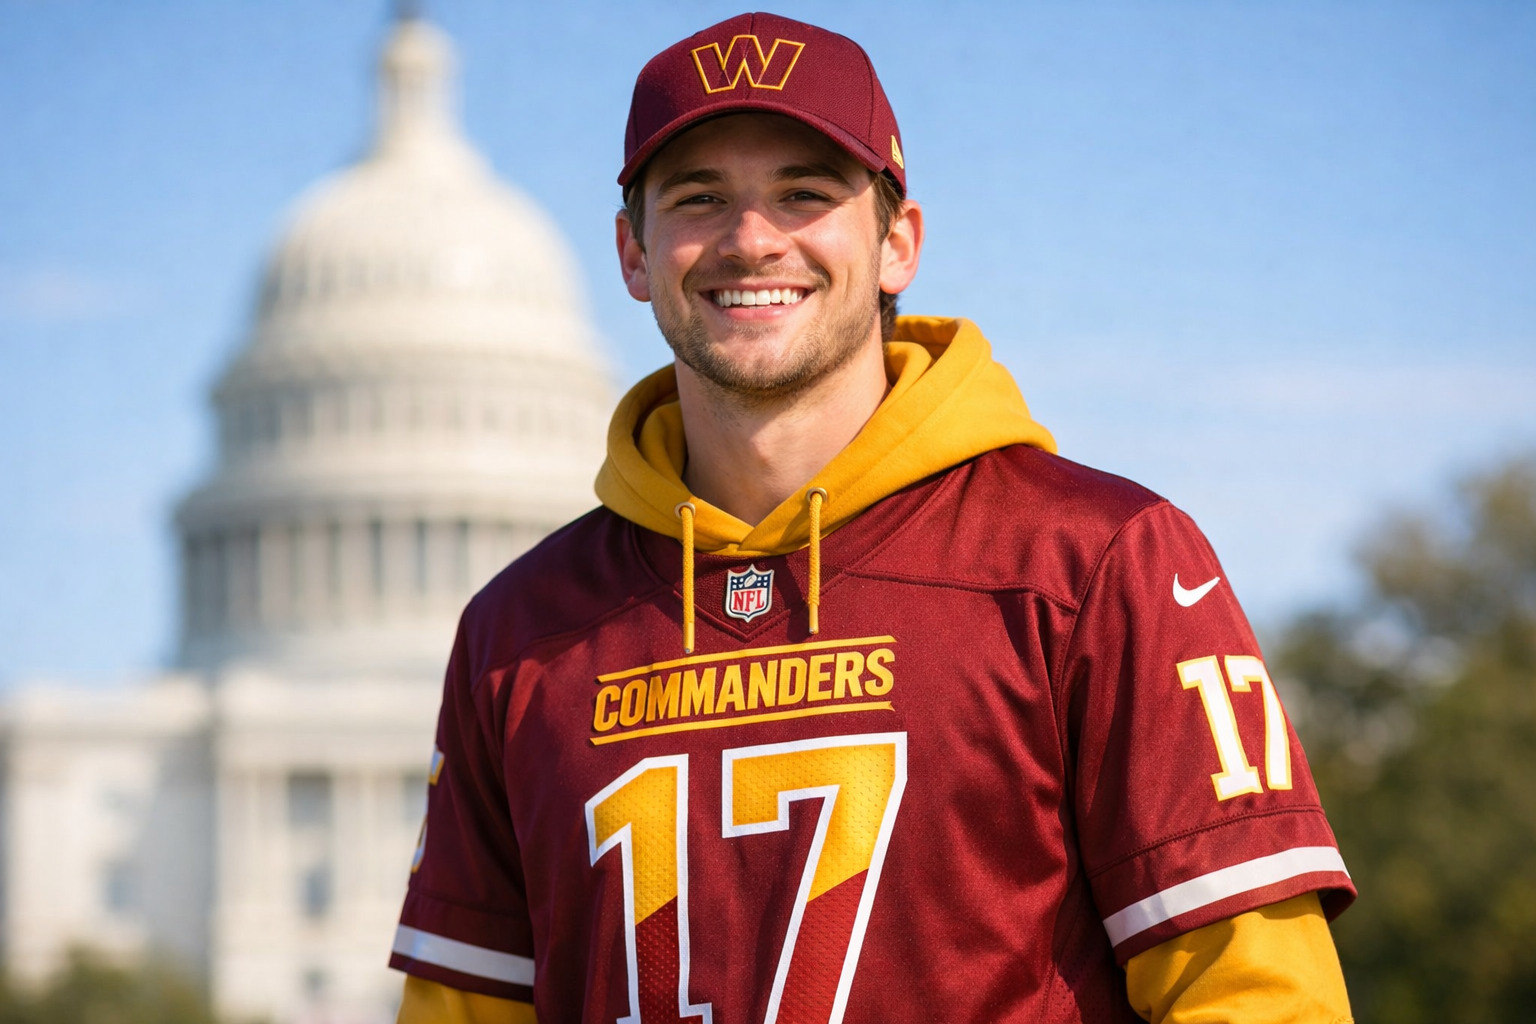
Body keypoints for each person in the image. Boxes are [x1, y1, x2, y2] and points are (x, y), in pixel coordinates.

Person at [391, 12, 1356, 1024]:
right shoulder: (519, 632)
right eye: (700, 198)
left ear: (899, 242)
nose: (752, 238)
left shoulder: (1096, 562)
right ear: (634, 254)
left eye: (804, 194)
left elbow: (1256, 999)